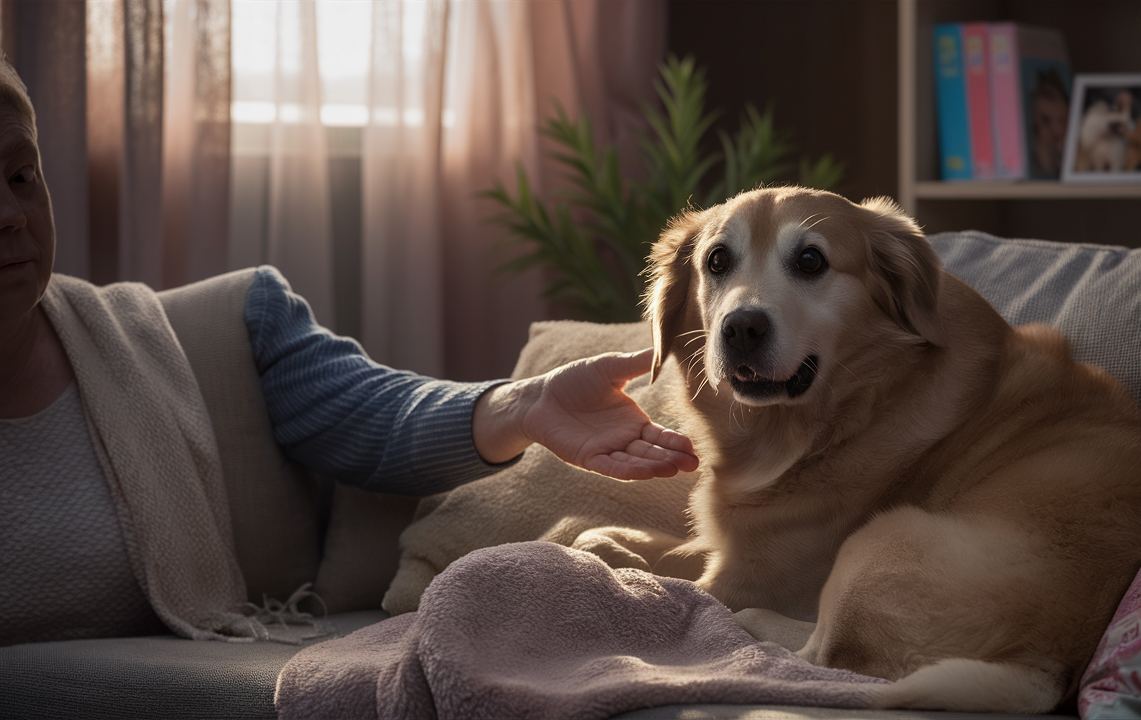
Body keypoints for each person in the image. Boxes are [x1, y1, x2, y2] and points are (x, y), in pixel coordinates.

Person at [0, 57, 696, 646]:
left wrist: (528, 404)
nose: (10, 212)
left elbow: (379, 414)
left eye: (21, 176)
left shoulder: (198, 337)